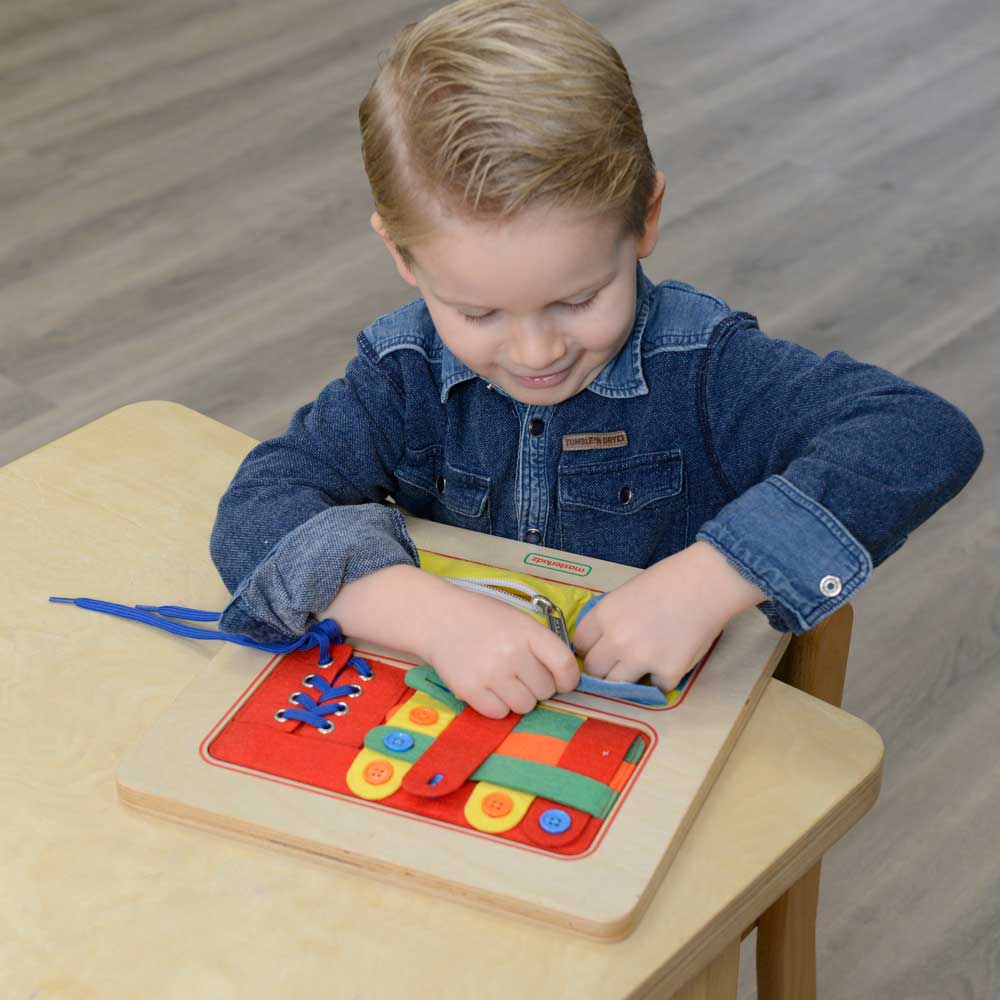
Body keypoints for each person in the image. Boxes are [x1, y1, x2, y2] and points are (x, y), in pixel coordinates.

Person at [210, 0, 982, 718]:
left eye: (578, 300)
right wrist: (422, 613)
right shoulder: (401, 372)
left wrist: (711, 579)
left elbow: (918, 432)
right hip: (461, 720)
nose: (537, 352)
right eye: (478, 313)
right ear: (402, 255)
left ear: (645, 217)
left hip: (664, 731)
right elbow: (260, 505)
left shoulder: (703, 368)